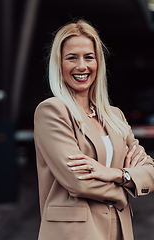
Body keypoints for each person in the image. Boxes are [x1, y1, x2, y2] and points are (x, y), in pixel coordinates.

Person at [34, 19, 154, 240]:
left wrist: (117, 173)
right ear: (59, 64)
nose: (82, 66)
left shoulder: (114, 115)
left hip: (119, 229)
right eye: (72, 58)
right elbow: (78, 181)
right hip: (75, 232)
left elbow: (150, 170)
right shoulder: (52, 111)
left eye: (89, 57)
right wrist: (125, 187)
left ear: (98, 62)